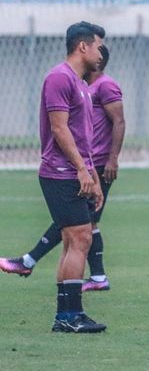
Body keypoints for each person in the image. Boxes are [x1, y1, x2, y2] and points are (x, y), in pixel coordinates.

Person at [0, 45, 125, 293]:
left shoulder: (105, 85)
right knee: (81, 226)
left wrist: (111, 159)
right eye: (95, 46)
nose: (98, 53)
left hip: (93, 163)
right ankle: (92, 282)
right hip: (80, 164)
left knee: (81, 225)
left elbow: (119, 121)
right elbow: (64, 128)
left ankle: (32, 262)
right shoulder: (71, 82)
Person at [39, 22, 107, 332]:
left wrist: (92, 173)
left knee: (72, 240)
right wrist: (81, 169)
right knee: (80, 238)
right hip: (60, 172)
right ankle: (69, 316)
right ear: (83, 47)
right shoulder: (59, 77)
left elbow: (82, 136)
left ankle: (66, 315)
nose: (100, 52)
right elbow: (59, 128)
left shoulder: (79, 82)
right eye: (98, 46)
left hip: (76, 171)